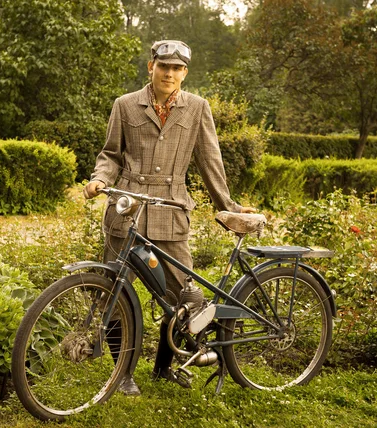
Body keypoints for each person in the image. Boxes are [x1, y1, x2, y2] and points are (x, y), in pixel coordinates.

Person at [83, 40, 254, 396]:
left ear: (185, 73)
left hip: (173, 210)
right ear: (151, 67)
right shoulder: (126, 104)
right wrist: (101, 179)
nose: (170, 74)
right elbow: (111, 154)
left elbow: (210, 161)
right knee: (117, 293)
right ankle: (122, 374)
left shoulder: (197, 108)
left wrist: (228, 205)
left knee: (183, 296)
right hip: (127, 210)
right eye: (164, 67)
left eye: (177, 69)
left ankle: (163, 367)